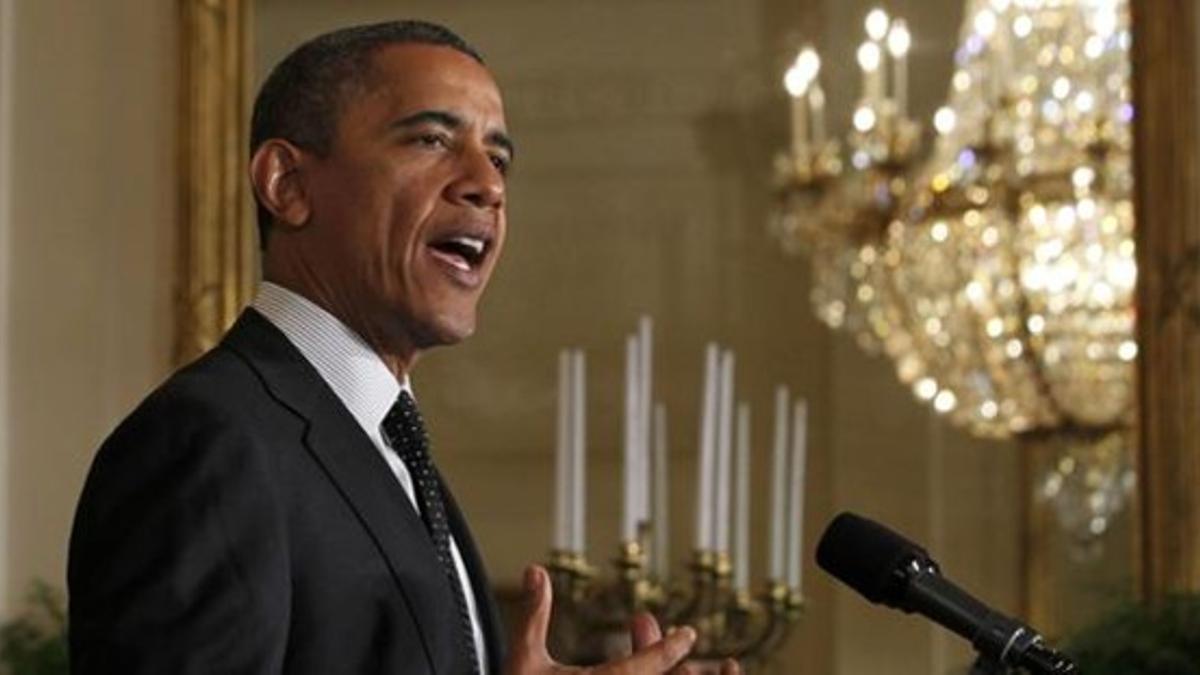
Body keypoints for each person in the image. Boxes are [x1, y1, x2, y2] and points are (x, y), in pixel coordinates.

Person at [68, 19, 736, 675]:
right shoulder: (208, 441)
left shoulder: (388, 443)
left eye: (498, 158)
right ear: (287, 184)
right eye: (431, 140)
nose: (488, 184)